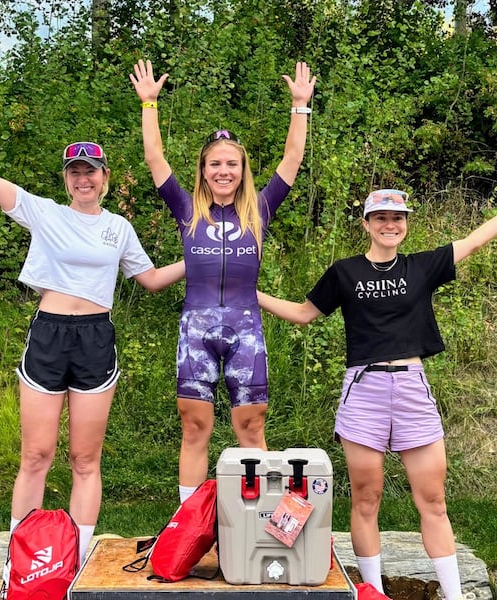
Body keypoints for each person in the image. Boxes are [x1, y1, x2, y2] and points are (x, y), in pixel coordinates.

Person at [257, 177, 497, 600]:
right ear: (367, 223)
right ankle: (373, 593)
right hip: (363, 391)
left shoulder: (422, 266)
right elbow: (304, 313)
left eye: (397, 218)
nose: (389, 224)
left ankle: (454, 596)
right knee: (366, 498)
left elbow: (473, 241)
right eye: (381, 217)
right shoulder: (345, 272)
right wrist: (252, 293)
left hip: (412, 390)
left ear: (406, 223)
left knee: (433, 501)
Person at [0, 77, 185, 562]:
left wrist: (198, 259)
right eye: (75, 172)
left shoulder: (118, 228)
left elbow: (150, 279)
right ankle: (21, 562)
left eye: (91, 171)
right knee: (36, 456)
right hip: (49, 335)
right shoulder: (45, 213)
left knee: (84, 459)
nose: (83, 179)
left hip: (95, 340)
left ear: (105, 177)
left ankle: (74, 561)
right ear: (66, 178)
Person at [130, 59, 316, 504]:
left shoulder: (261, 208)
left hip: (245, 330)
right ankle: (186, 526)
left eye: (232, 164)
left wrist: (300, 106)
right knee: (195, 427)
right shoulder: (185, 207)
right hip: (196, 331)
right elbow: (154, 158)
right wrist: (150, 103)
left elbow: (292, 159)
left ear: (242, 169)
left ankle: (265, 518)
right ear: (203, 169)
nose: (223, 171)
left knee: (250, 426)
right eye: (215, 164)